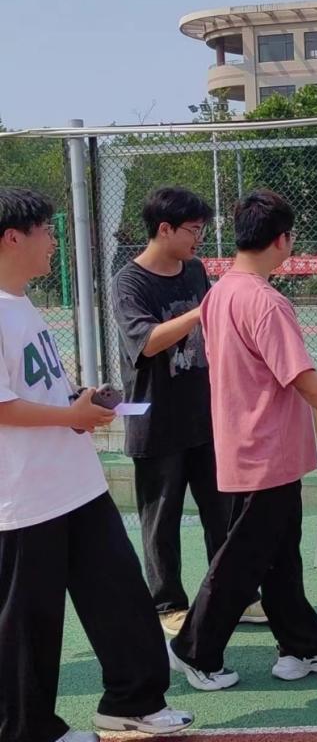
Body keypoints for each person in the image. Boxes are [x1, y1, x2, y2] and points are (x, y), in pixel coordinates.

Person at [168, 190, 317, 692]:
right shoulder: (265, 301)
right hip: (265, 451)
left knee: (281, 554)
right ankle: (194, 649)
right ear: (283, 240)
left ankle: (300, 647)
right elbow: (300, 375)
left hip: (252, 446)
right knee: (243, 559)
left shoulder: (220, 293)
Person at [0, 187, 193, 742]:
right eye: (44, 231)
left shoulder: (20, 302)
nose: (53, 242)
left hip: (76, 485)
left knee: (122, 597)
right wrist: (70, 415)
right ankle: (28, 731)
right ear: (12, 238)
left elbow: (32, 388)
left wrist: (79, 404)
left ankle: (133, 703)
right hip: (24, 499)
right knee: (27, 625)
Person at [112, 186, 266, 637]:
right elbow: (146, 342)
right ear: (165, 229)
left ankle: (233, 596)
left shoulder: (195, 270)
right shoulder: (129, 282)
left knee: (223, 512)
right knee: (161, 519)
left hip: (206, 417)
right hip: (155, 422)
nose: (200, 238)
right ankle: (168, 605)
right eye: (194, 230)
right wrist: (203, 311)